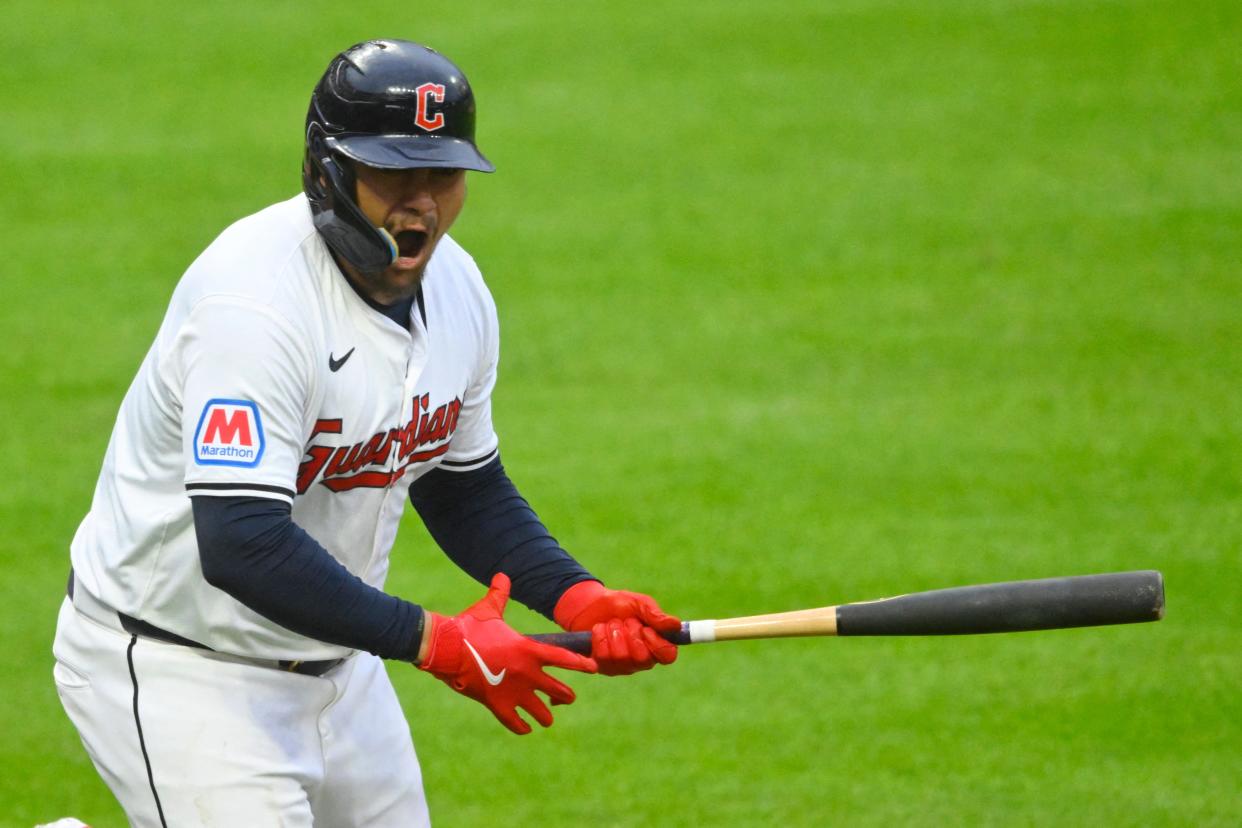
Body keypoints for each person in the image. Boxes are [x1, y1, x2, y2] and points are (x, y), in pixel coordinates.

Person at [52, 39, 679, 827]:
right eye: (392, 172)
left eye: (441, 175)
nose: (421, 203)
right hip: (181, 665)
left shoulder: (459, 292)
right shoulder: (255, 305)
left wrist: (578, 597)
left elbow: (462, 484)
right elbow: (241, 541)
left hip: (342, 663)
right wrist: (436, 642)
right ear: (328, 172)